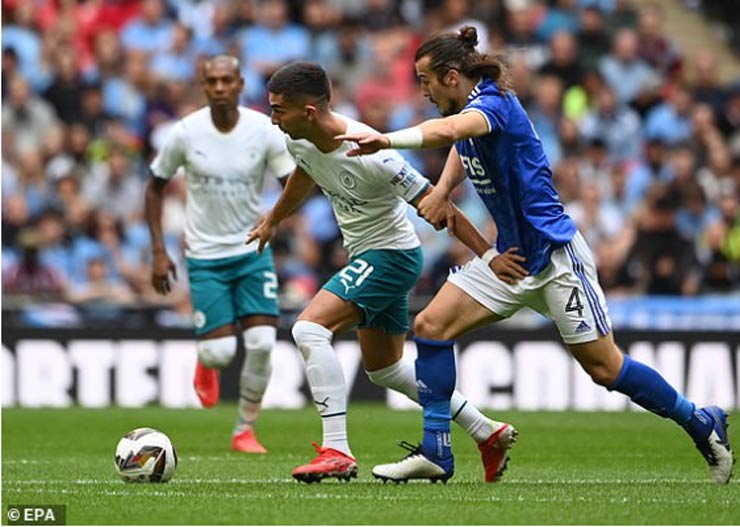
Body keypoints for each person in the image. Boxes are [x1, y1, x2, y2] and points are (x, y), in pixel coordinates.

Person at [336, 26, 734, 484]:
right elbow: (462, 146)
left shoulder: (494, 106)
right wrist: (443, 190)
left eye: (425, 80)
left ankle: (700, 421)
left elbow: (448, 130)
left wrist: (386, 140)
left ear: (450, 76)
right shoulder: (472, 110)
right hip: (510, 261)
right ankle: (436, 451)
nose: (421, 91)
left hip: (555, 258)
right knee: (429, 326)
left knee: (606, 369)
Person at [247, 61, 517, 484]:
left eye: (279, 109)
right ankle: (487, 431)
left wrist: (487, 255)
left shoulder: (372, 153)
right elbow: (306, 172)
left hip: (391, 255)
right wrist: (273, 219)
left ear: (311, 112)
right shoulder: (299, 140)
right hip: (369, 257)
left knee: (308, 330)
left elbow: (437, 205)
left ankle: (336, 449)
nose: (273, 117)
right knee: (385, 369)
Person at [145, 55, 295, 453]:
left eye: (226, 80)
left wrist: (276, 219)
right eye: (211, 81)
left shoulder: (263, 130)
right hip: (206, 256)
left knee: (263, 343)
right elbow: (155, 186)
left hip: (251, 249)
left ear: (240, 83)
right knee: (220, 352)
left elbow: (293, 181)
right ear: (203, 85)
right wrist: (159, 251)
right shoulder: (184, 133)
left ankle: (244, 430)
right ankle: (206, 361)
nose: (219, 88)